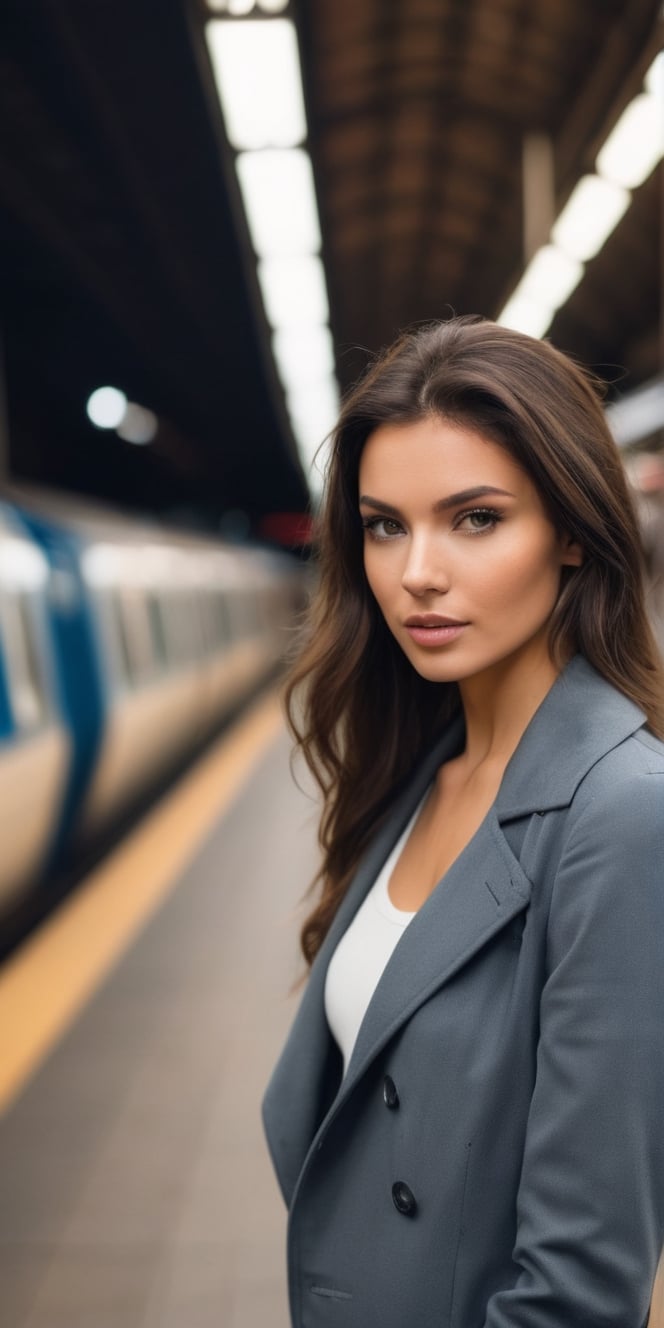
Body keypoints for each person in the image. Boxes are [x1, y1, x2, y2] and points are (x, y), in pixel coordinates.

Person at [262, 316, 664, 1328]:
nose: (415, 572)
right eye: (384, 524)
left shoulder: (623, 813)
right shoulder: (420, 768)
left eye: (475, 519)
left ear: (572, 530)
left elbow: (577, 1286)